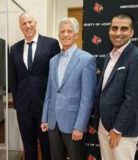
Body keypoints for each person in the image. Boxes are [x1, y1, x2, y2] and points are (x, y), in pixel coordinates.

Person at [94, 13, 138, 160]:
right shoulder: (109, 56)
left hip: (121, 131)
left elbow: (133, 98)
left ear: (132, 32)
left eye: (124, 29)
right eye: (114, 28)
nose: (118, 33)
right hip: (104, 126)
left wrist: (118, 130)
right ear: (109, 30)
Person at [40, 17, 97, 160]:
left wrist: (80, 126)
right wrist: (45, 118)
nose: (65, 34)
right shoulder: (53, 61)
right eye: (62, 32)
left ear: (76, 35)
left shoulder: (86, 59)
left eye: (69, 31)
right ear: (58, 35)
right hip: (53, 123)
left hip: (73, 124)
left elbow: (87, 99)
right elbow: (49, 92)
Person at [8, 12, 61, 160]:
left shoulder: (51, 44)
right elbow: (14, 78)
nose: (28, 26)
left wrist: (53, 104)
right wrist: (17, 103)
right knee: (28, 145)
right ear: (20, 27)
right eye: (24, 24)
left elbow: (56, 76)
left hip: (44, 106)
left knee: (47, 146)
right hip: (24, 107)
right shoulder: (15, 48)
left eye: (30, 22)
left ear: (36, 23)